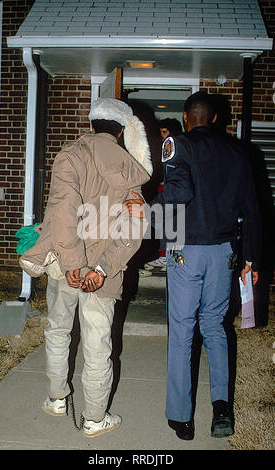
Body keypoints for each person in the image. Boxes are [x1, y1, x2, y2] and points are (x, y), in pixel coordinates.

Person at [125, 91, 260, 440]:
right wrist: (251, 257)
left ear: (187, 117)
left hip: (188, 250)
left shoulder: (178, 146)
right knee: (215, 327)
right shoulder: (238, 151)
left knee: (183, 331)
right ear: (214, 118)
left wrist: (148, 207)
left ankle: (181, 418)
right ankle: (221, 410)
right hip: (224, 253)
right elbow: (253, 209)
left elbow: (180, 191)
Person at [19, 98, 152, 438]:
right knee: (98, 342)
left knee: (59, 330)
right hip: (102, 274)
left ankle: (57, 399)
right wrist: (102, 269)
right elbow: (134, 226)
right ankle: (94, 418)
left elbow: (63, 212)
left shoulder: (71, 156)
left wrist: (75, 264)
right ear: (121, 131)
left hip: (67, 265)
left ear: (91, 123)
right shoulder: (129, 167)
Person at [144, 118, 182, 274]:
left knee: (171, 223)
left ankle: (166, 255)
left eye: (164, 132)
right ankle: (161, 254)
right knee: (158, 222)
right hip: (161, 190)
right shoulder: (161, 148)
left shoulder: (179, 148)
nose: (162, 136)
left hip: (172, 192)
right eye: (160, 133)